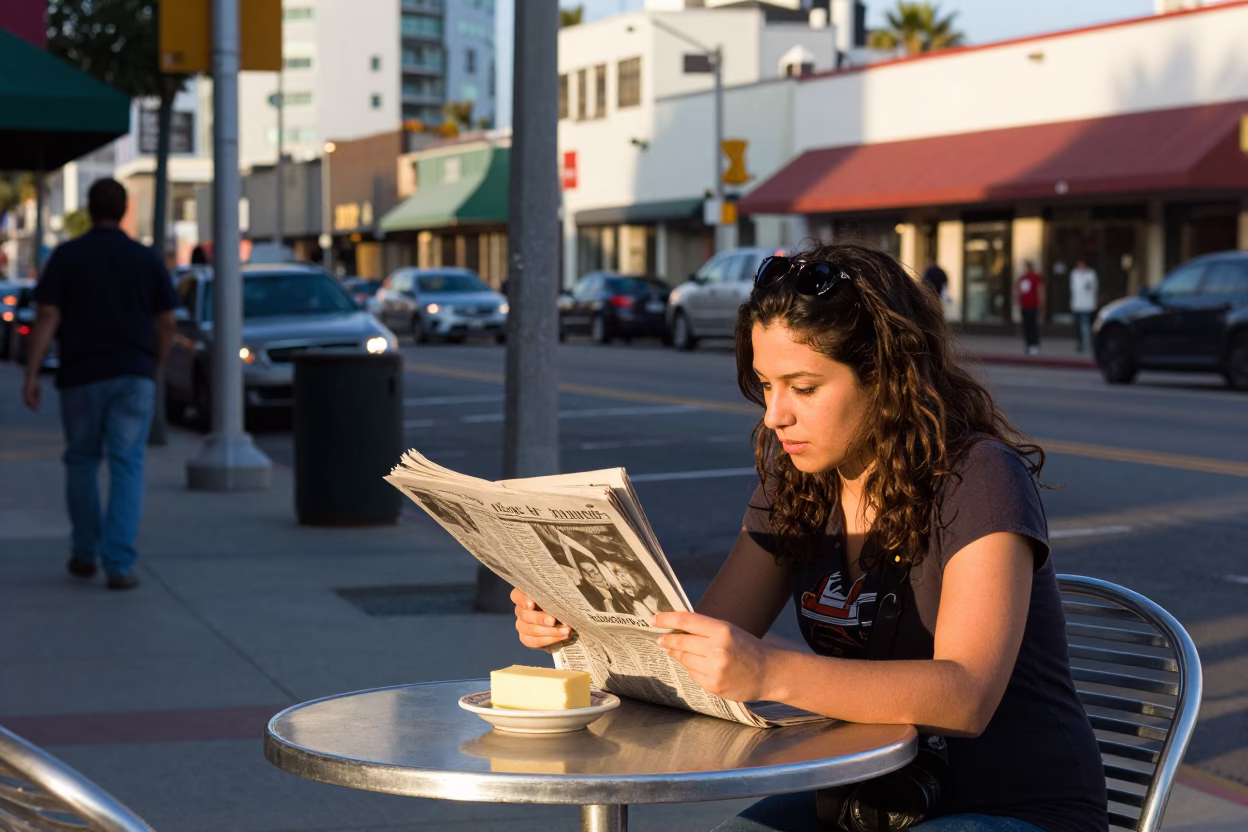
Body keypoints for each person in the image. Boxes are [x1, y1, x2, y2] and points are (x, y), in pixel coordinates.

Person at [512, 241, 1107, 832]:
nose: (775, 415)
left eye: (803, 387)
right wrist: (575, 622)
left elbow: (966, 696)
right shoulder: (801, 482)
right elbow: (706, 650)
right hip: (863, 797)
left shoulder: (978, 476)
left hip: (1014, 809)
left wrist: (769, 672)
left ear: (887, 378)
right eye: (766, 386)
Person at [23, 179, 177, 591]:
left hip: (82, 376)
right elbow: (167, 323)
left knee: (82, 461)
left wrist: (32, 372)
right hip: (133, 373)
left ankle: (85, 552)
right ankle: (120, 563)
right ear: (124, 209)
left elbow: (48, 315)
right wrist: (155, 366)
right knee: (127, 465)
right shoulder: (145, 259)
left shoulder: (68, 256)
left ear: (89, 210)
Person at [1069, 259, 1098, 353]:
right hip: (1077, 304)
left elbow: (1094, 287)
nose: (1080, 267)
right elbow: (1072, 288)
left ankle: (1090, 343)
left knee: (1087, 325)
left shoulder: (1091, 274)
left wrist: (1089, 286)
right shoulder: (1074, 274)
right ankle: (1080, 343)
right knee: (1078, 325)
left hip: (1088, 304)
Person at [1016, 261, 1044, 355]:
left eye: (1026, 267)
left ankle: (1034, 345)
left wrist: (1041, 302)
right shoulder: (1022, 278)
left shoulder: (1035, 277)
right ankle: (1028, 345)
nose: (1024, 269)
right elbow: (1018, 291)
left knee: (1033, 326)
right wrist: (1017, 301)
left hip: (1033, 306)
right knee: (1026, 326)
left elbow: (1040, 290)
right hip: (1024, 306)